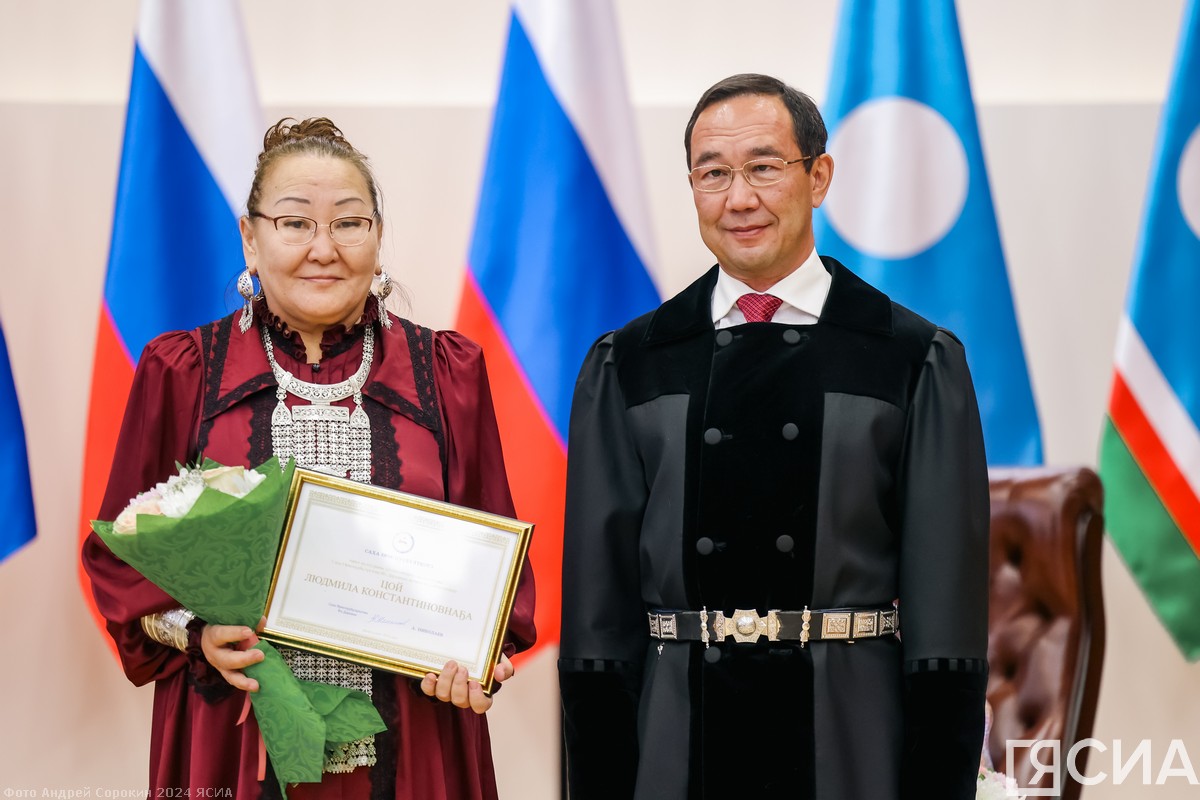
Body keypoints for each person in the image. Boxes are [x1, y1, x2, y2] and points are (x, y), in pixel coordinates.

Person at [559, 74, 989, 799]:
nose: (739, 199)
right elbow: (597, 631)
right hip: (677, 741)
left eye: (764, 167)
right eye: (713, 173)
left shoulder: (909, 358)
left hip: (852, 738)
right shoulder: (630, 363)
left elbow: (946, 633)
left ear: (818, 177)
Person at [82, 117, 536, 799]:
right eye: (295, 224)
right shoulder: (181, 372)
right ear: (251, 237)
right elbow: (118, 561)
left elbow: (497, 568)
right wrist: (195, 631)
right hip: (231, 741)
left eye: (349, 223)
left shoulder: (447, 373)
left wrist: (479, 655)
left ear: (378, 239)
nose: (324, 248)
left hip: (412, 737)